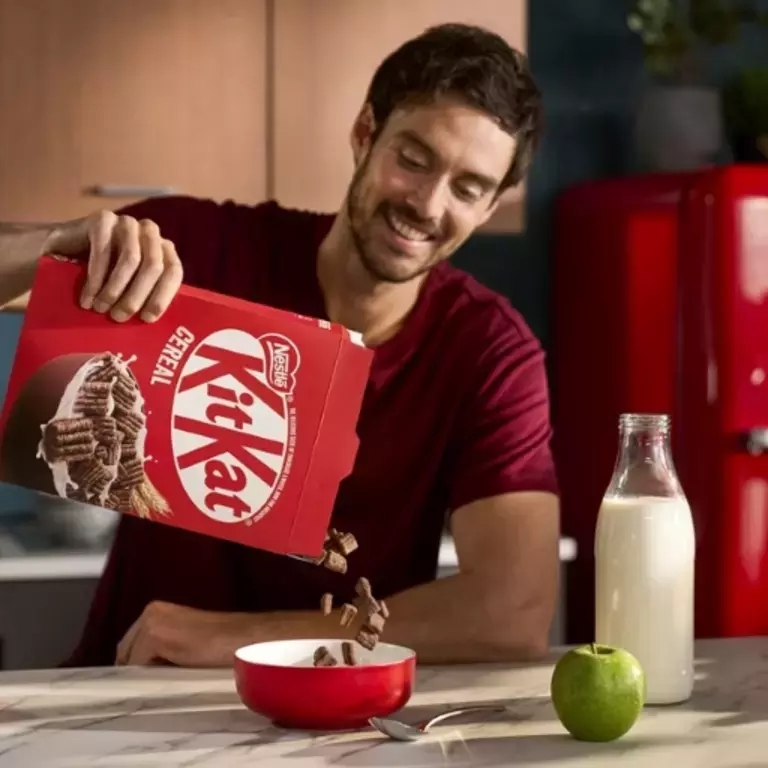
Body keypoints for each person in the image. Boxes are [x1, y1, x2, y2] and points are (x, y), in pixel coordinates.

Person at [0, 23, 559, 667]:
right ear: (364, 133)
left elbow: (514, 611)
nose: (428, 205)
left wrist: (234, 640)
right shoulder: (200, 255)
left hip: (340, 721)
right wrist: (58, 245)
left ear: (489, 207)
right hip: (127, 692)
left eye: (467, 188)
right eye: (413, 158)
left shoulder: (490, 353)